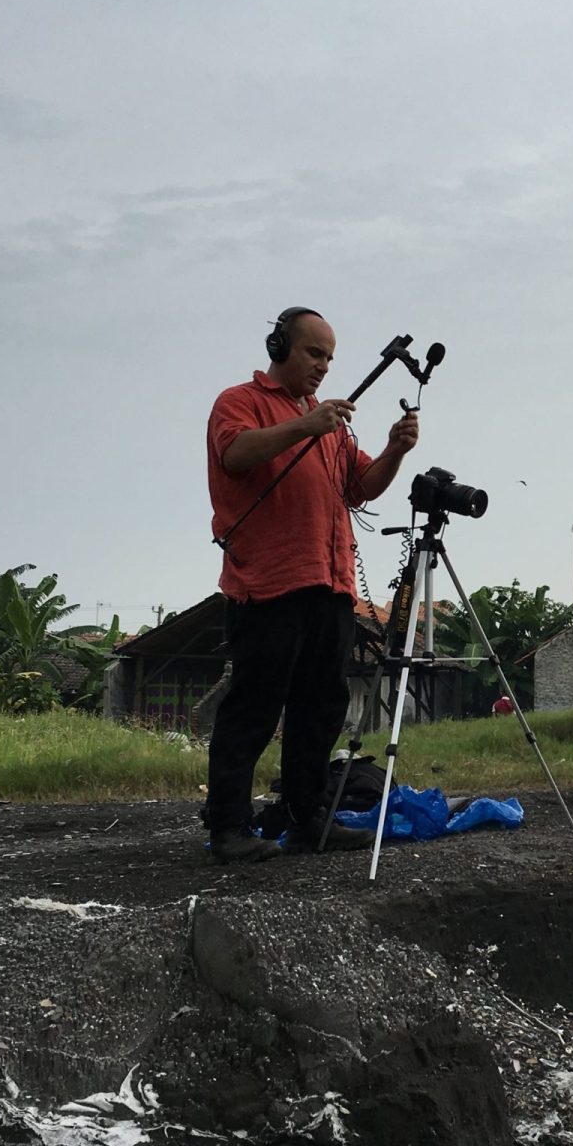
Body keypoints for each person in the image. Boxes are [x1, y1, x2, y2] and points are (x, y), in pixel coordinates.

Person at [202, 306, 420, 865]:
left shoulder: (330, 423)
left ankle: (307, 818)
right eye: (313, 353)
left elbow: (361, 487)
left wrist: (395, 448)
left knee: (320, 707)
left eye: (329, 357)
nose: (323, 366)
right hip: (269, 583)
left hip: (331, 583)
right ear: (279, 346)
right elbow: (235, 455)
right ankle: (228, 826)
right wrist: (305, 423)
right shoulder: (240, 402)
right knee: (253, 707)